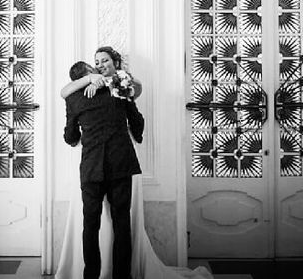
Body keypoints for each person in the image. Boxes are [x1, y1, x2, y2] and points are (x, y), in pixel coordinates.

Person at [56, 47, 212, 279]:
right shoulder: (118, 90)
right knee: (122, 223)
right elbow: (137, 119)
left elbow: (70, 138)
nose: (99, 68)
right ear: (89, 73)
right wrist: (133, 132)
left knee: (90, 225)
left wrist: (79, 136)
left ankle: (91, 276)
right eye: (95, 65)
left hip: (91, 168)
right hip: (121, 163)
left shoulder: (74, 99)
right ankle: (122, 276)